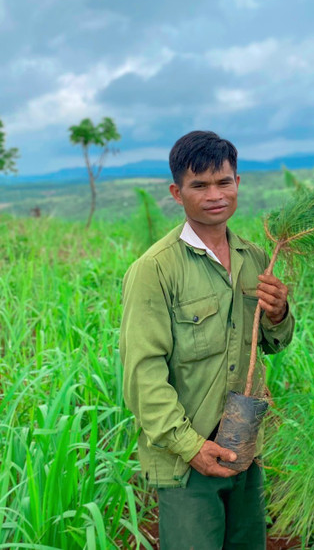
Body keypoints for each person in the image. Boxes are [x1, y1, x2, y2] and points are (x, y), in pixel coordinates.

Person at [119, 130, 294, 550]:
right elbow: (142, 376)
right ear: (177, 193)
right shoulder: (155, 270)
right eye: (199, 185)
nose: (215, 194)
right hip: (186, 458)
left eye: (224, 182)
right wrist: (192, 447)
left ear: (238, 183)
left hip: (244, 446)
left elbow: (273, 344)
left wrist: (278, 313)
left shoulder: (253, 257)